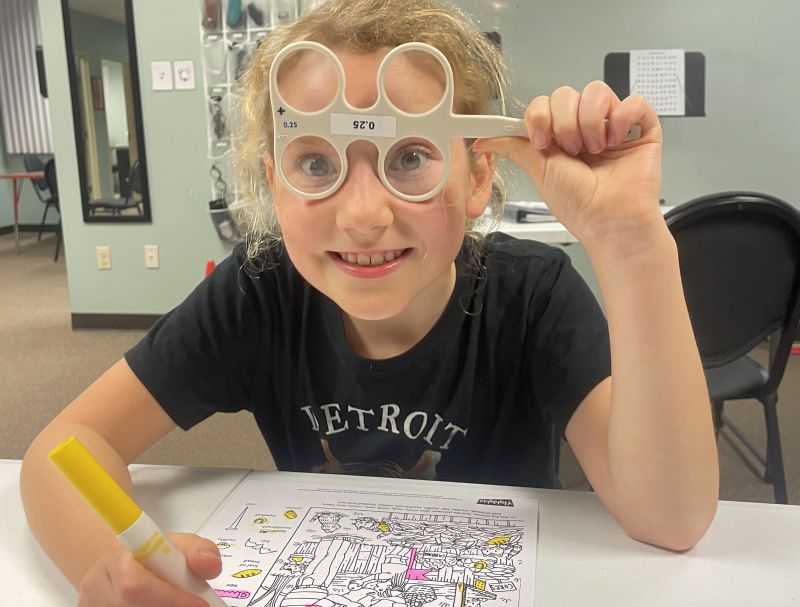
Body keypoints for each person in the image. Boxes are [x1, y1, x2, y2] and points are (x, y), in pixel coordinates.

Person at [20, 0, 719, 604]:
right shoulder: (260, 291)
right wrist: (104, 566)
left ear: (478, 175)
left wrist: (632, 243)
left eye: (409, 156)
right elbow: (65, 448)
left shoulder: (530, 295)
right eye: (317, 164)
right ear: (275, 182)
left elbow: (672, 516)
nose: (361, 214)